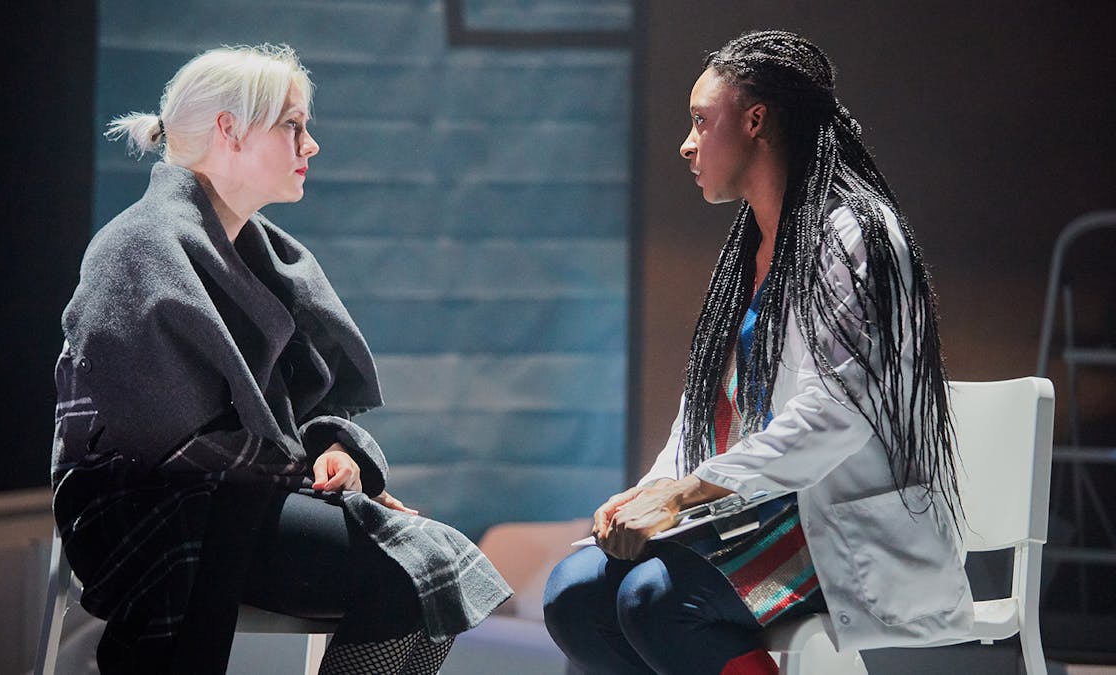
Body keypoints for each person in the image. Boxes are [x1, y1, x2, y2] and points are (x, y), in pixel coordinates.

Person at [52, 44, 510, 675]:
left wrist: (334, 453)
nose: (311, 145)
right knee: (407, 571)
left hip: (243, 496)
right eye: (292, 126)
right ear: (229, 130)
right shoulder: (137, 247)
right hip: (151, 509)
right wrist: (295, 472)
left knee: (429, 562)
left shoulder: (271, 258)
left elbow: (305, 409)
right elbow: (161, 439)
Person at [542, 30, 973, 675]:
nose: (687, 144)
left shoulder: (853, 234)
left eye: (700, 121)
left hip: (827, 521)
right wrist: (653, 488)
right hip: (756, 510)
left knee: (658, 599)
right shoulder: (751, 244)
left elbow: (837, 417)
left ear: (755, 120)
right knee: (574, 596)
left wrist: (683, 495)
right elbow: (710, 414)